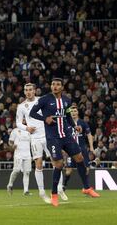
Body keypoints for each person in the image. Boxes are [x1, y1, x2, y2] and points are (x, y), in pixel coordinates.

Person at [29, 78, 100, 207]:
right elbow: (32, 113)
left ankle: (87, 187)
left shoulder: (67, 100)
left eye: (57, 84)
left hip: (66, 136)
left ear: (62, 87)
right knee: (59, 164)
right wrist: (45, 118)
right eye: (53, 84)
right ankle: (54, 194)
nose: (54, 86)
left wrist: (74, 126)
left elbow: (67, 115)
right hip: (53, 138)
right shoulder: (45, 99)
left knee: (80, 158)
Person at [16, 83, 67, 203]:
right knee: (39, 164)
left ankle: (59, 189)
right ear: (24, 92)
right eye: (26, 90)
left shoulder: (42, 100)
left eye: (30, 90)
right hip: (35, 138)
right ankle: (42, 192)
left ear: (35, 91)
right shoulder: (22, 106)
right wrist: (26, 128)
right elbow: (18, 123)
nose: (28, 92)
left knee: (57, 162)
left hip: (48, 135)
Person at [63, 106, 94, 191]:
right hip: (71, 149)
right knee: (69, 170)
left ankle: (86, 187)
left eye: (75, 111)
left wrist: (91, 147)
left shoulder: (83, 123)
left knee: (86, 169)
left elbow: (89, 135)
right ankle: (64, 185)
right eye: (72, 111)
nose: (73, 112)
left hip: (82, 149)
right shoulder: (66, 123)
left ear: (77, 113)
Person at [7, 122, 32, 196]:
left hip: (27, 154)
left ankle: (26, 191)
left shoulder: (29, 131)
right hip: (18, 153)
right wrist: (12, 146)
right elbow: (10, 141)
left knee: (27, 172)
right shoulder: (15, 131)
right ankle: (10, 184)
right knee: (17, 170)